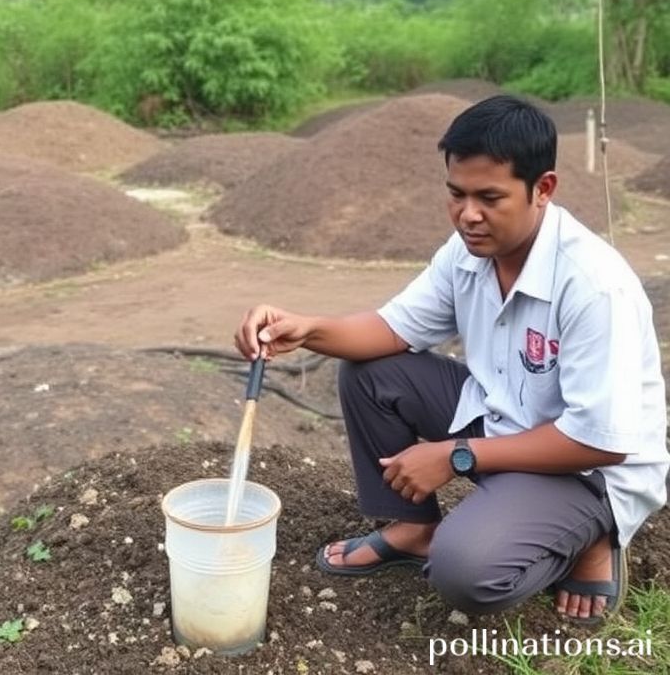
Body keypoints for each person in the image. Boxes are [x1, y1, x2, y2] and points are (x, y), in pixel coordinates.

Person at [234, 94, 669, 624]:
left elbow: (599, 440)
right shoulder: (467, 253)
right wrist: (304, 329)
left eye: (489, 197)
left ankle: (594, 536)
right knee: (372, 374)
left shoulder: (593, 286)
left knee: (464, 571)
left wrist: (456, 455)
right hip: (503, 422)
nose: (468, 215)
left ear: (543, 189)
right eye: (456, 194)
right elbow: (392, 329)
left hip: (588, 469)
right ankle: (413, 527)